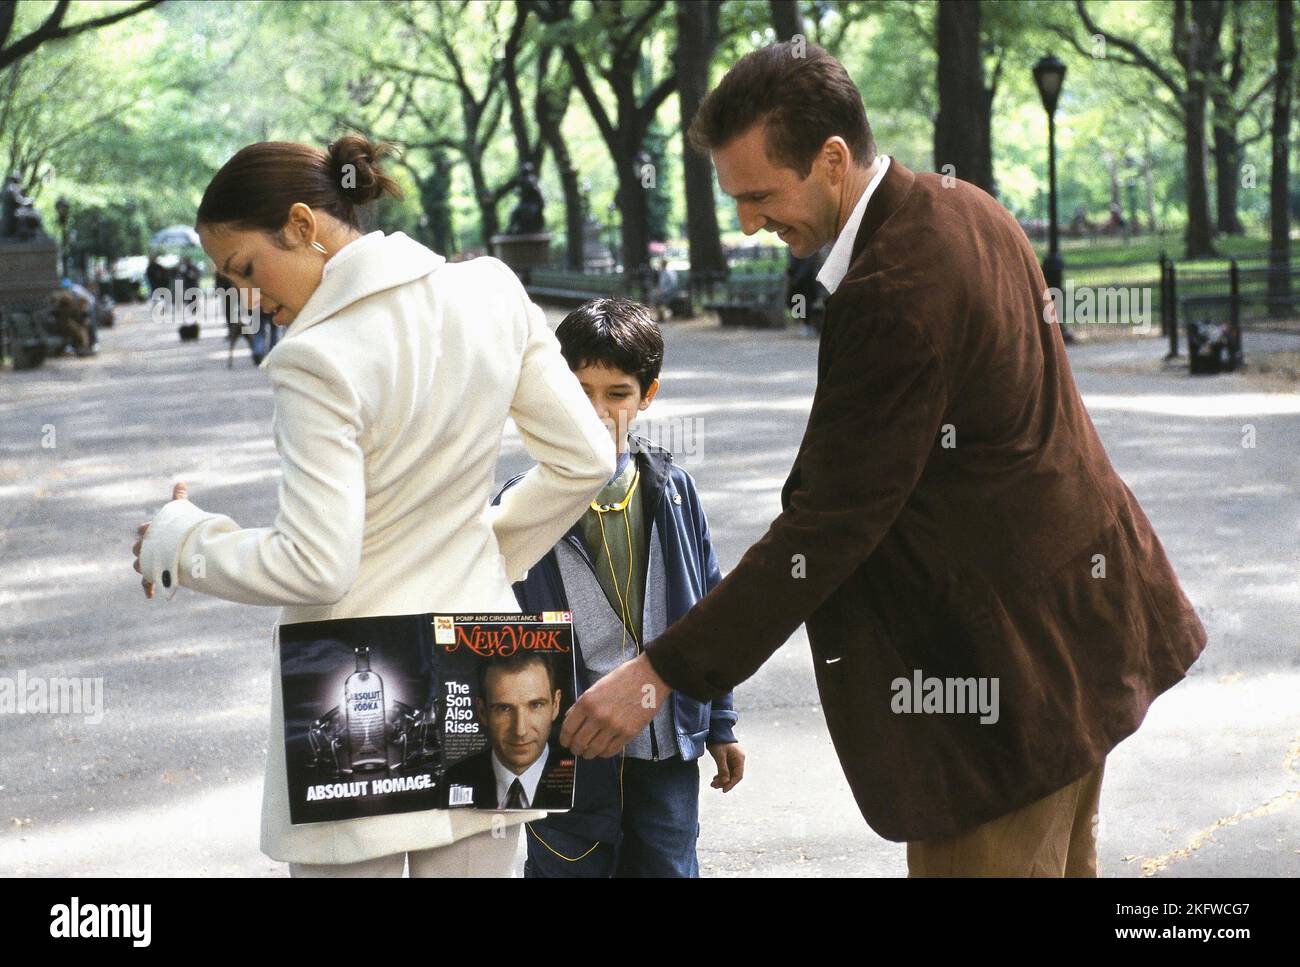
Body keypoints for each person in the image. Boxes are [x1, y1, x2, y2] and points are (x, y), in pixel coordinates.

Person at [560, 42, 1206, 878]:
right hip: (1077, 644)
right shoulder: (963, 203)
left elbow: (829, 524)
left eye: (758, 195)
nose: (749, 222)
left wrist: (661, 671)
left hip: (1003, 687)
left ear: (832, 161)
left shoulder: (894, 290)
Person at [130, 134, 615, 878]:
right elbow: (587, 458)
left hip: (350, 681)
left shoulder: (314, 358)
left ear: (302, 224)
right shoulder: (490, 289)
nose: (246, 298)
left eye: (246, 270)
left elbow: (318, 565)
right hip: (483, 656)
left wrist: (187, 542)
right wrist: (488, 552)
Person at [497, 297, 742, 878]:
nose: (598, 413)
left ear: (647, 396)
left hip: (666, 746)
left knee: (668, 865)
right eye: (579, 392)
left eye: (617, 394)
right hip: (567, 756)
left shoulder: (675, 494)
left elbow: (711, 611)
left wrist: (722, 724)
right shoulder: (518, 508)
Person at [445, 652, 574, 810]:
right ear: (482, 711)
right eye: (504, 708)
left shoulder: (586, 778)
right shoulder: (452, 780)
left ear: (556, 704)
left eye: (536, 705)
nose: (520, 731)